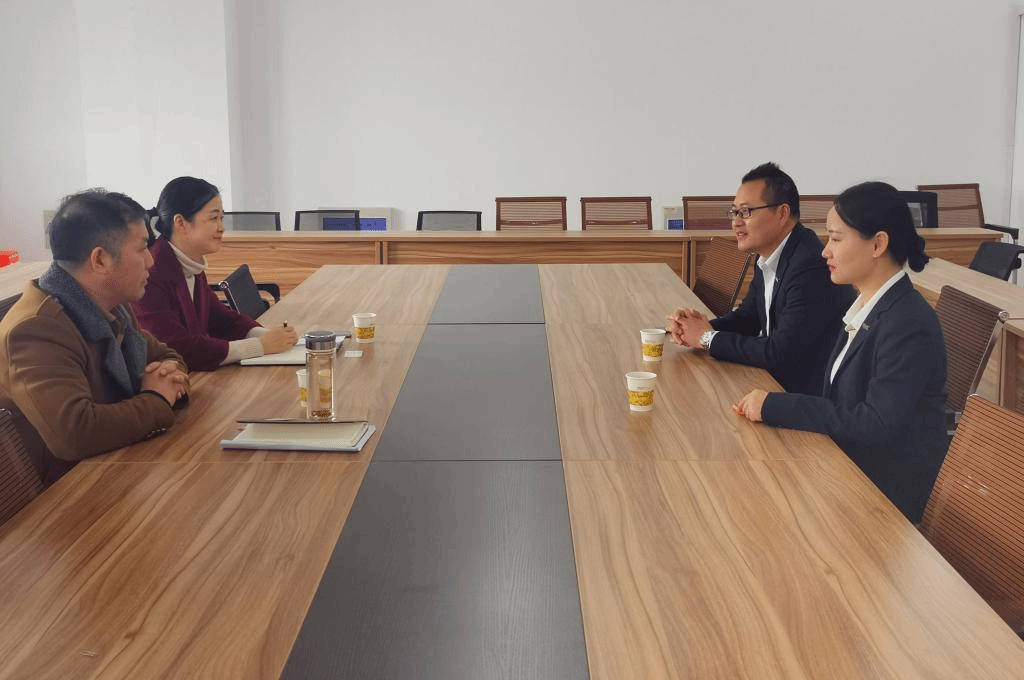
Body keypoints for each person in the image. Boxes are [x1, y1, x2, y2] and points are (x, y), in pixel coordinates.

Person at [734, 181, 948, 522]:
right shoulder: (867, 306)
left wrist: (776, 406)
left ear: (878, 244)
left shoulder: (907, 323)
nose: (825, 252)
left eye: (835, 239)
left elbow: (875, 424)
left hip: (881, 503)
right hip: (844, 471)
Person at [0, 189, 190, 485]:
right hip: (67, 493)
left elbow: (168, 357)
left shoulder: (113, 305)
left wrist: (167, 379)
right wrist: (156, 398)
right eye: (142, 248)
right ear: (100, 260)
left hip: (118, 465)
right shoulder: (35, 330)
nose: (151, 261)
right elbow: (75, 433)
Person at [667, 162, 854, 395]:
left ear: (782, 213)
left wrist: (707, 338)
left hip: (804, 394)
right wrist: (696, 329)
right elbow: (749, 318)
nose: (736, 222)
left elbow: (779, 352)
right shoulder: (768, 255)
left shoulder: (809, 265)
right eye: (734, 212)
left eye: (745, 212)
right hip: (773, 381)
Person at [132, 176, 296, 371]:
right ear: (181, 223)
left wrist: (266, 335)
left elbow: (220, 319)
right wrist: (260, 346)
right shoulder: (152, 273)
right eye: (213, 218)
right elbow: (179, 348)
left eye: (222, 218)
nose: (221, 227)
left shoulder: (190, 262)